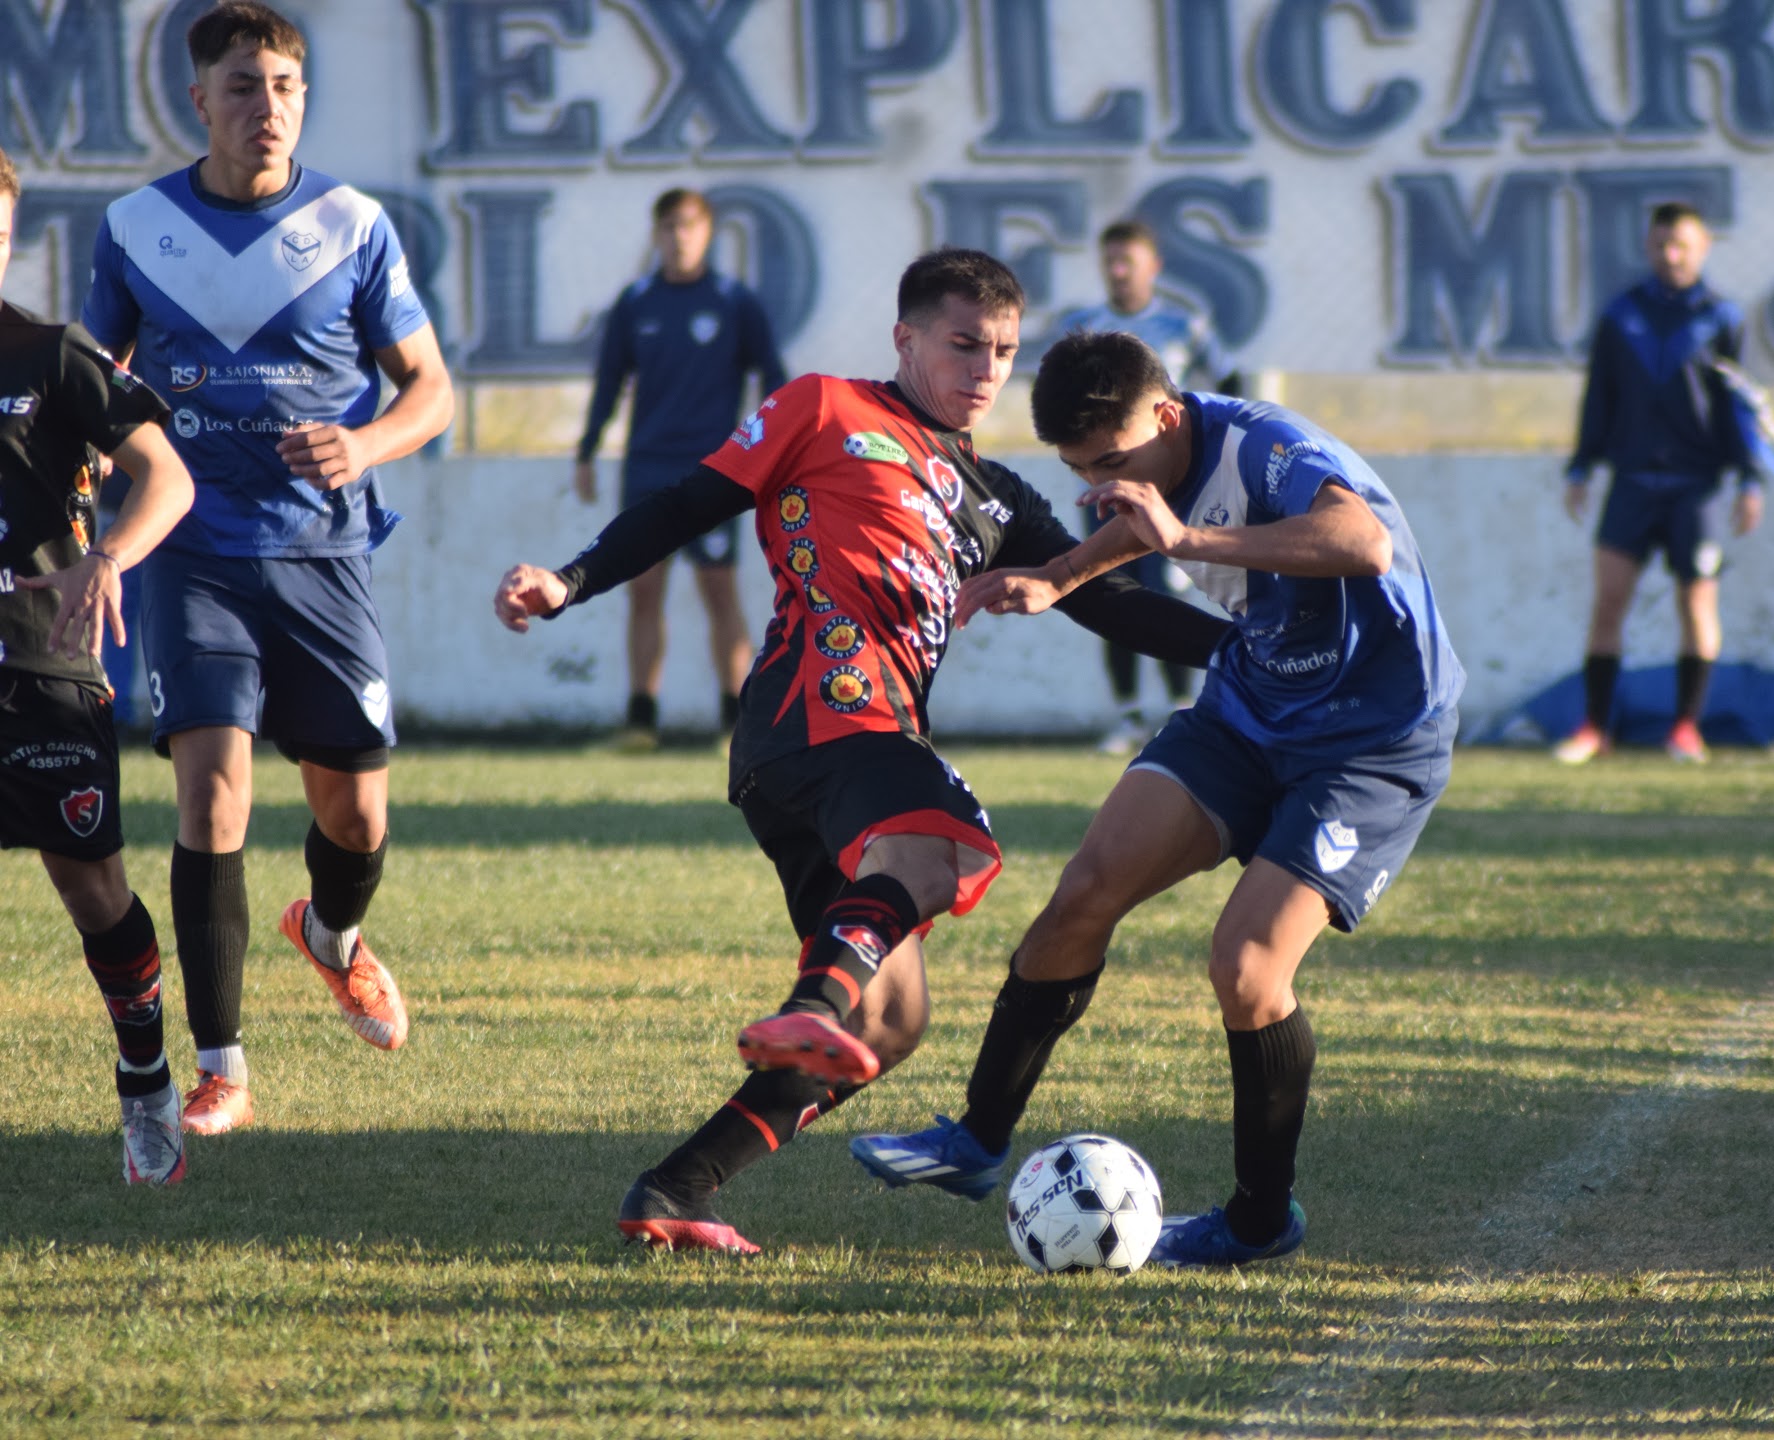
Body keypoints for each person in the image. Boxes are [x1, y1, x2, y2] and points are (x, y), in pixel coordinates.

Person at [493, 250, 1228, 1255]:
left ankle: (674, 1192)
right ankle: (810, 1002)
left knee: (887, 1026)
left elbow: (1113, 604)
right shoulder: (825, 407)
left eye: (1003, 351)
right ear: (906, 339)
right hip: (822, 712)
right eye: (962, 343)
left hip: (837, 758)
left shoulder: (996, 496)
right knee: (944, 846)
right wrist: (571, 581)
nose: (983, 369)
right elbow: (686, 503)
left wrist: (1263, 652)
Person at [851, 329, 1465, 1269]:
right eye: (1080, 469)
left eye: (1113, 461)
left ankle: (1260, 1222)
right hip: (1249, 713)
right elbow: (1141, 515)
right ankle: (976, 1142)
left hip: (1371, 742)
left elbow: (1362, 543)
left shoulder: (1268, 448)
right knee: (1082, 894)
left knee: (1249, 969)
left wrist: (1183, 540)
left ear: (1170, 417)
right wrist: (1057, 578)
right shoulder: (1156, 463)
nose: (1101, 482)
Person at [80, 2, 456, 1134]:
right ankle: (224, 1065)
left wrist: (368, 440)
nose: (268, 107)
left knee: (355, 820)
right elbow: (95, 383)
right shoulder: (137, 227)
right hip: (191, 553)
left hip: (324, 553)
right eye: (243, 87)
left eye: (286, 86)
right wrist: (95, 487)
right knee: (213, 796)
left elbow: (431, 390)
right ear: (199, 101)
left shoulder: (353, 224)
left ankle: (332, 935)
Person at [0, 144, 199, 1181]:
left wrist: (108, 558)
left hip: (42, 670)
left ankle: (146, 1084)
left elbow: (168, 476)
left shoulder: (51, 353)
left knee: (96, 895)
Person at [574, 189, 787, 751]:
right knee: (643, 588)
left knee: (718, 589)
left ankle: (735, 721)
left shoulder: (735, 301)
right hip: (647, 467)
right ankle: (641, 719)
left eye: (689, 226)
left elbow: (775, 380)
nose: (679, 237)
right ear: (656, 233)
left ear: (708, 232)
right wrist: (588, 448)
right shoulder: (636, 302)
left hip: (715, 471)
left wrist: (775, 455)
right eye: (669, 226)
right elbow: (609, 382)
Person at [1556, 202, 1767, 764]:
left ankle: (1685, 729)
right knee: (1609, 603)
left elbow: (1739, 407)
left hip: (1694, 488)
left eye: (1682, 245)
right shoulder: (1622, 315)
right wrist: (1581, 465)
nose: (1671, 255)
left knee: (1696, 606)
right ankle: (1594, 728)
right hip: (1630, 483)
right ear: (1648, 247)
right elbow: (1598, 396)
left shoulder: (1721, 318)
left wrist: (1751, 477)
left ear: (1703, 249)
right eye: (1661, 245)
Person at [1047, 220, 1240, 755]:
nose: (1118, 270)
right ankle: (1128, 713)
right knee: (1109, 587)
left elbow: (1228, 384)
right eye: (1110, 260)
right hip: (1108, 485)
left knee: (1169, 586)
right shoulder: (1086, 327)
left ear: (1152, 266)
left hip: (1172, 487)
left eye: (1128, 260)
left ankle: (1183, 708)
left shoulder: (1185, 325)